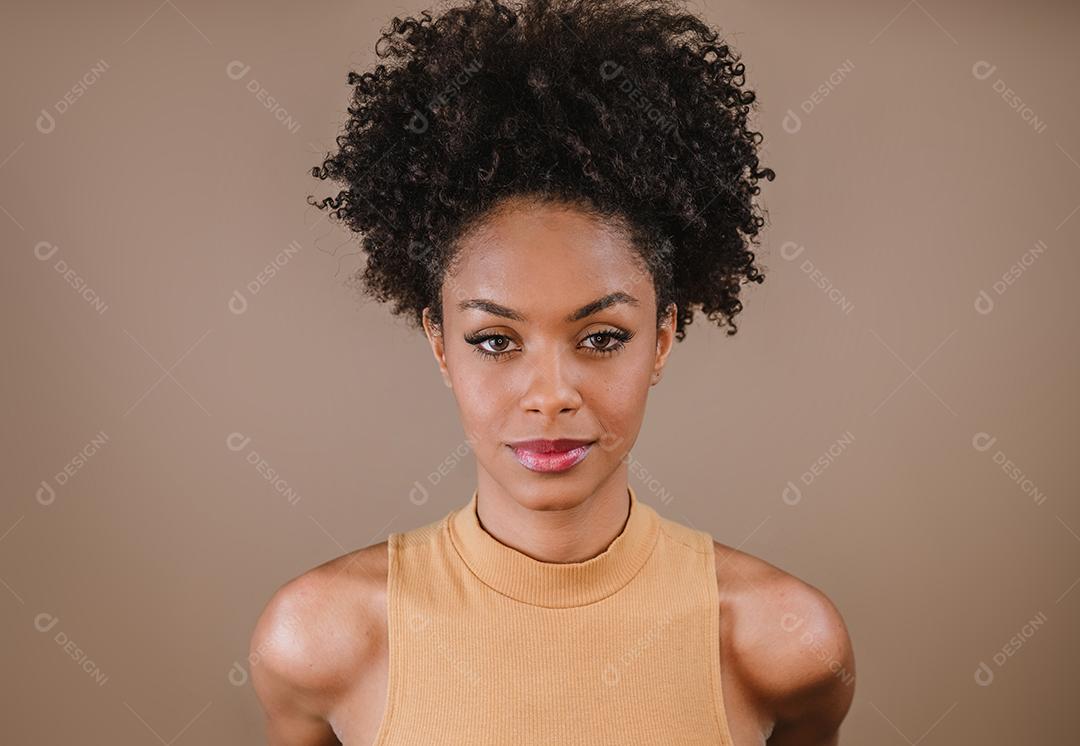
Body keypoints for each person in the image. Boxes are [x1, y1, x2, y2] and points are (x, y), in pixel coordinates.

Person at [249, 0, 855, 743]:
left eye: (601, 338)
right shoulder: (320, 640)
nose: (550, 396)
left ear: (662, 339)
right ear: (440, 344)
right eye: (496, 341)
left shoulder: (782, 643)